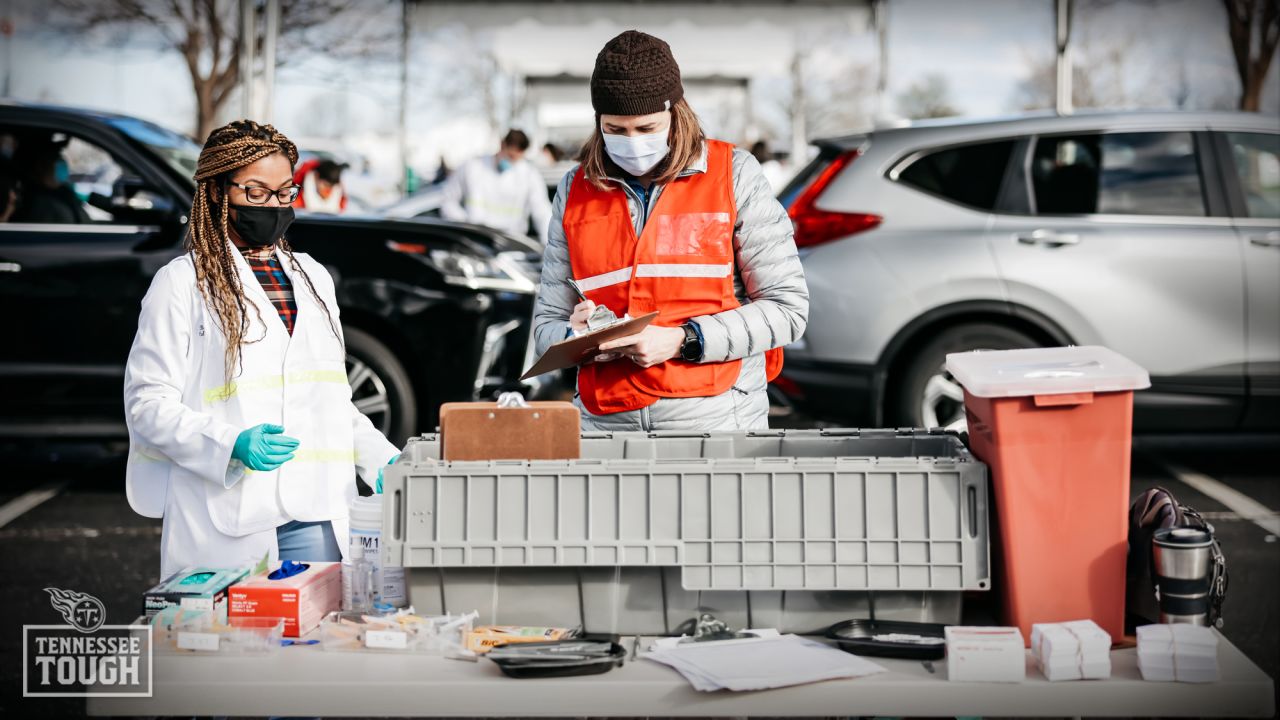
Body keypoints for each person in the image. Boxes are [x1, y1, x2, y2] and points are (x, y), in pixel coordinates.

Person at [123, 120, 400, 578]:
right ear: (216, 192)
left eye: (284, 193)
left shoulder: (312, 278)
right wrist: (229, 444)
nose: (273, 206)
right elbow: (146, 404)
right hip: (230, 515)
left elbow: (330, 398)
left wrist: (378, 456)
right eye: (255, 193)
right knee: (231, 644)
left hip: (319, 513)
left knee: (317, 640)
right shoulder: (181, 283)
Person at [532, 30, 808, 432]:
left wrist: (684, 340)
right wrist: (577, 336)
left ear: (675, 113)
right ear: (598, 122)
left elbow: (788, 310)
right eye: (616, 130)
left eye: (647, 128)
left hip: (716, 424)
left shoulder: (733, 174)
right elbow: (545, 330)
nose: (632, 142)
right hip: (607, 429)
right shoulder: (574, 190)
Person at [441, 129, 553, 244]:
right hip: (474, 241)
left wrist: (549, 245)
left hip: (511, 244)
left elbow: (542, 211)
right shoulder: (473, 167)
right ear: (502, 145)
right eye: (510, 155)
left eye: (517, 158)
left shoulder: (529, 175)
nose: (512, 161)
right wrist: (465, 223)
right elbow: (448, 201)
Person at [10, 133, 88, 224]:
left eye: (61, 158)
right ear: (40, 165)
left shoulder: (61, 193)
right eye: (56, 158)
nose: (62, 163)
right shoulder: (43, 205)